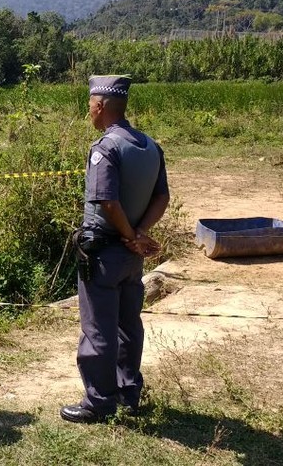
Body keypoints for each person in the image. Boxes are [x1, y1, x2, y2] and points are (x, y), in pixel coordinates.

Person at [61, 75, 170, 424]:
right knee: (128, 324)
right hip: (131, 257)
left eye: (90, 104)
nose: (88, 111)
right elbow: (161, 197)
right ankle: (128, 392)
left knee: (98, 329)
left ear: (101, 106)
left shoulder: (105, 149)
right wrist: (139, 235)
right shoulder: (150, 146)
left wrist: (128, 233)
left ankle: (99, 402)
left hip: (104, 253)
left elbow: (106, 201)